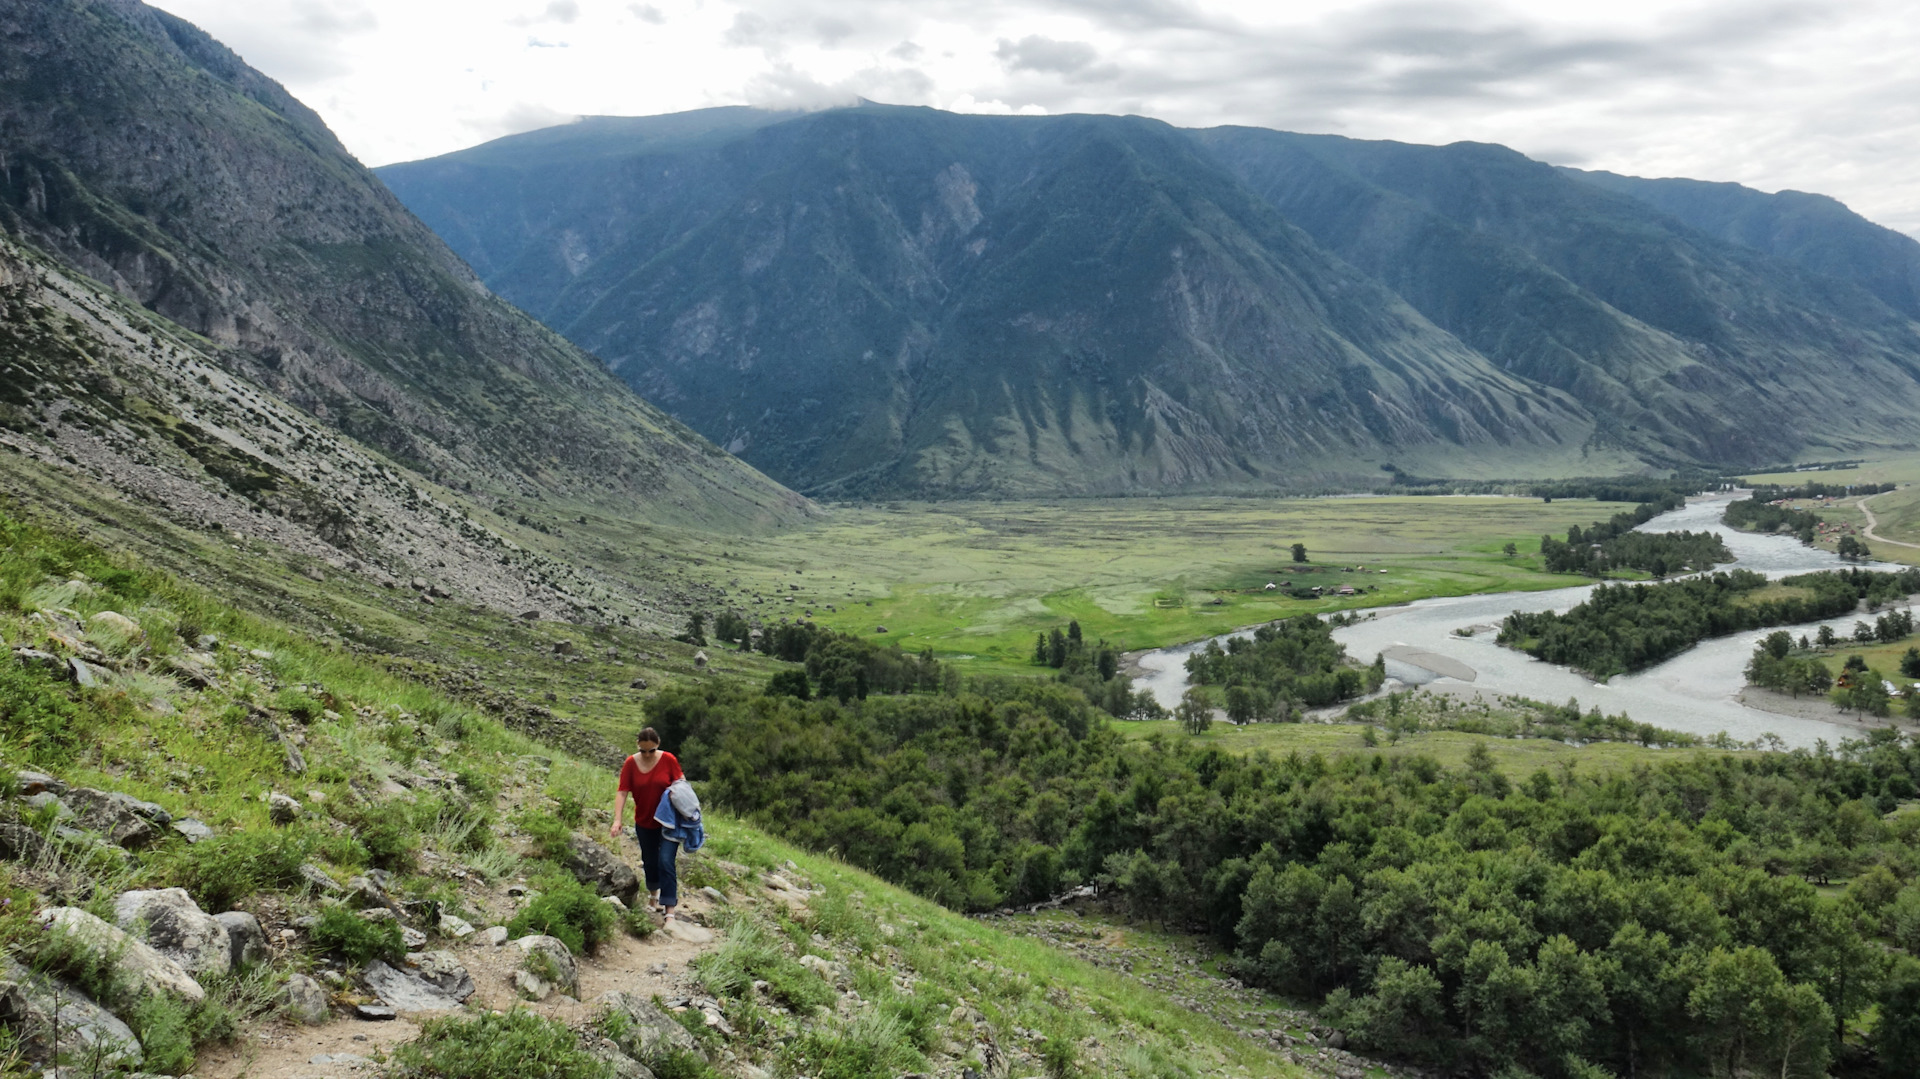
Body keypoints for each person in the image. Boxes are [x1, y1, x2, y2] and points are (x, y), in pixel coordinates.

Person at [609, 726, 684, 919]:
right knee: (650, 862)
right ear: (638, 747)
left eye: (652, 750)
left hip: (668, 823)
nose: (648, 754)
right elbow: (622, 791)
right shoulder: (630, 764)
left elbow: (681, 784)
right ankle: (653, 896)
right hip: (644, 821)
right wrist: (617, 820)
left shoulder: (669, 760)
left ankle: (670, 911)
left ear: (658, 745)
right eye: (643, 751)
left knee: (666, 862)